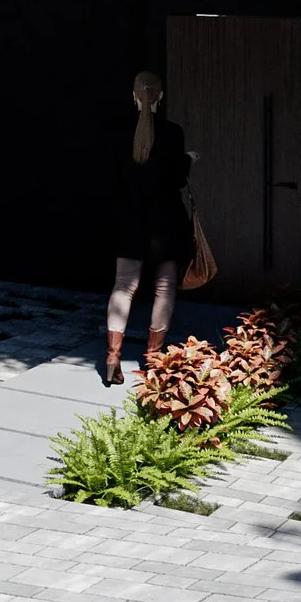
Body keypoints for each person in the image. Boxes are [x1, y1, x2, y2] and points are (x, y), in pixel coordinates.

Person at [102, 69, 193, 387]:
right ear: (161, 97)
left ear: (134, 95)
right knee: (164, 288)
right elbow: (176, 181)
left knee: (123, 288)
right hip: (164, 222)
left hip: (128, 221)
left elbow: (113, 179)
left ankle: (113, 356)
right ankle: (154, 361)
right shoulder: (172, 133)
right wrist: (187, 160)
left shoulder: (117, 133)